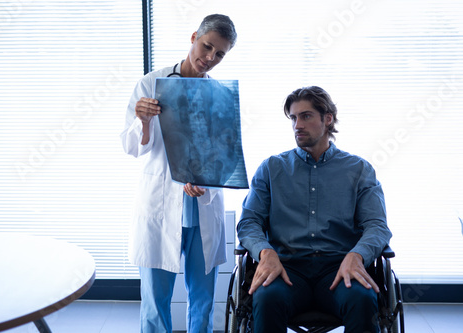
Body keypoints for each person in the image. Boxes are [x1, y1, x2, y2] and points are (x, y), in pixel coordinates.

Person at [237, 86, 392, 333]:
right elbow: (249, 222)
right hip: (286, 268)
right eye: (293, 118)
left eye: (306, 116)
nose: (298, 124)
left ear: (327, 118)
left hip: (339, 267)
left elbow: (377, 225)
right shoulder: (271, 169)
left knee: (362, 299)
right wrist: (265, 252)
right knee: (266, 298)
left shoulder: (359, 170)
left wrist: (358, 254)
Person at [120, 14, 237, 333]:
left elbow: (226, 156)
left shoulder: (222, 96)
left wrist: (206, 179)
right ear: (193, 38)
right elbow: (132, 148)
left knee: (202, 301)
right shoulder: (151, 83)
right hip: (159, 206)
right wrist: (142, 120)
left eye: (220, 54)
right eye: (207, 46)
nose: (210, 58)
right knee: (155, 303)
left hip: (202, 206)